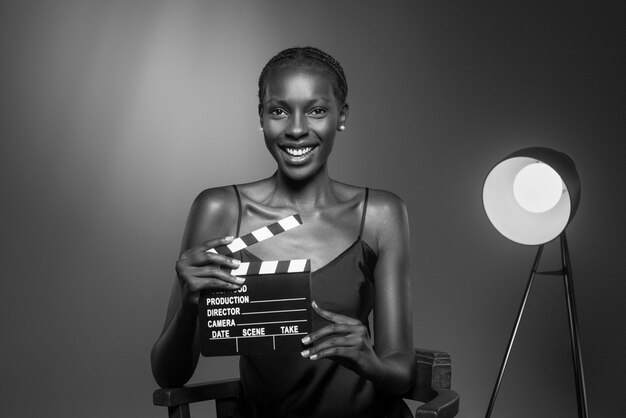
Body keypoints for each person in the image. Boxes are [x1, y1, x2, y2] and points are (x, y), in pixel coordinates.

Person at [151, 46, 416, 418]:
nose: (295, 128)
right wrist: (189, 306)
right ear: (261, 117)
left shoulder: (380, 213)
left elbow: (401, 371)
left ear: (341, 116)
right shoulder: (220, 210)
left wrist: (367, 360)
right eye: (278, 110)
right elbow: (168, 375)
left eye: (317, 110)